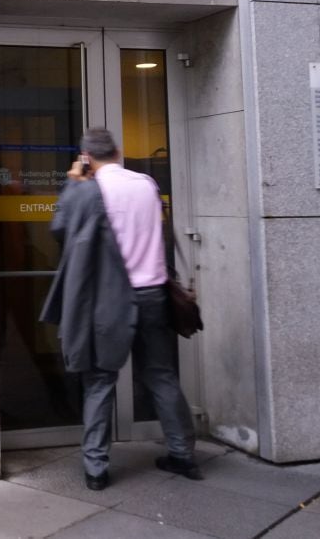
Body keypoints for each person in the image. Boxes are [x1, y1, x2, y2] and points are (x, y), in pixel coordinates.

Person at [40, 127, 201, 491]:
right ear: (119, 151)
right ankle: (182, 453)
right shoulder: (146, 184)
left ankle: (96, 468)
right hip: (153, 295)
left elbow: (60, 229)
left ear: (85, 157)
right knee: (161, 376)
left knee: (99, 382)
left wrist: (72, 183)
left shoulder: (87, 190)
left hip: (109, 300)